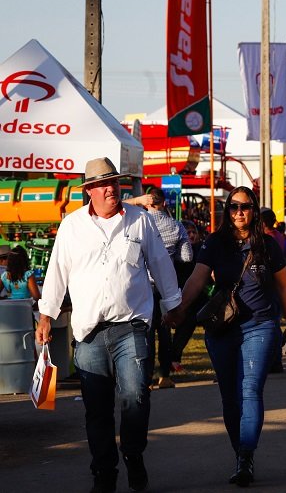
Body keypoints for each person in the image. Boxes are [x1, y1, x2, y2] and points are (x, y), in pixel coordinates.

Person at [36, 157, 183, 493]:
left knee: (135, 397)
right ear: (89, 190)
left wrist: (172, 305)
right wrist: (46, 314)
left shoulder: (139, 221)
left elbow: (160, 263)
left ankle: (133, 454)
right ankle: (104, 471)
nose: (111, 188)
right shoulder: (72, 226)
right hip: (88, 332)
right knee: (97, 408)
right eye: (103, 183)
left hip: (131, 326)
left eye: (115, 182)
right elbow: (56, 272)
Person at [175, 186, 286, 487]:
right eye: (233, 207)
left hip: (260, 325)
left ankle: (246, 454)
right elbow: (197, 278)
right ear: (227, 211)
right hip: (223, 328)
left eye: (245, 206)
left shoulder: (268, 245)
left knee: (250, 388)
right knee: (230, 396)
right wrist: (178, 308)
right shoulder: (215, 243)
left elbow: (284, 288)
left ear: (254, 211)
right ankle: (241, 454)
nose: (239, 212)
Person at [143, 187, 193, 389]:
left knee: (144, 333)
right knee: (164, 333)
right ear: (163, 203)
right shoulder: (176, 226)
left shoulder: (140, 224)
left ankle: (145, 378)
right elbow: (187, 257)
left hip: (143, 287)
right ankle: (164, 375)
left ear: (147, 203)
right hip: (165, 287)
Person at [170, 219, 206, 372]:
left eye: (194, 232)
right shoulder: (180, 253)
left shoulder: (202, 249)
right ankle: (173, 359)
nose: (191, 235)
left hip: (201, 297)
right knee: (185, 327)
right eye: (188, 232)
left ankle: (173, 359)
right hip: (182, 296)